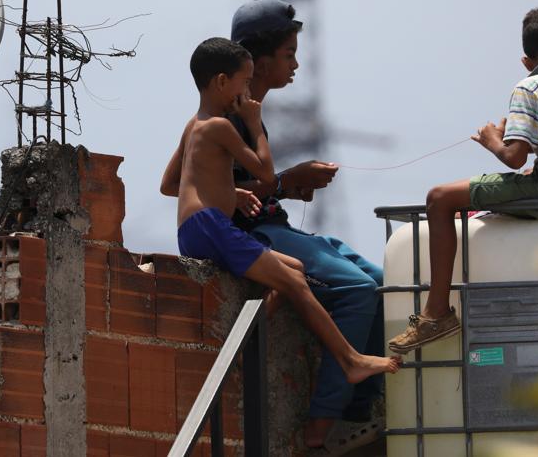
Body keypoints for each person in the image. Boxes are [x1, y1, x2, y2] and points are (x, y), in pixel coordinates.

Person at [160, 37, 401, 388]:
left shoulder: (194, 124)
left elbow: (170, 185)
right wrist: (255, 124)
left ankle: (248, 344)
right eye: (244, 82)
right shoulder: (222, 126)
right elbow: (267, 174)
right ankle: (351, 360)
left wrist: (230, 191)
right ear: (222, 82)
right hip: (210, 227)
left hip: (198, 226)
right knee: (290, 280)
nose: (248, 93)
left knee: (295, 270)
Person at [387, 7, 538, 354]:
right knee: (519, 182)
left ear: (527, 61)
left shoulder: (529, 86)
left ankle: (436, 314)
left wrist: (491, 138)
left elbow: (514, 157)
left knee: (439, 198)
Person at [226, 0, 388, 449]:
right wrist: (285, 181)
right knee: (355, 290)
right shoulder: (227, 117)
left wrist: (284, 185)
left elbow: (252, 183)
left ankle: (359, 412)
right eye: (288, 54)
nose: (296, 63)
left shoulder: (252, 110)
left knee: (379, 281)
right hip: (255, 235)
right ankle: (321, 427)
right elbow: (217, 197)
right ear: (258, 62)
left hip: (278, 226)